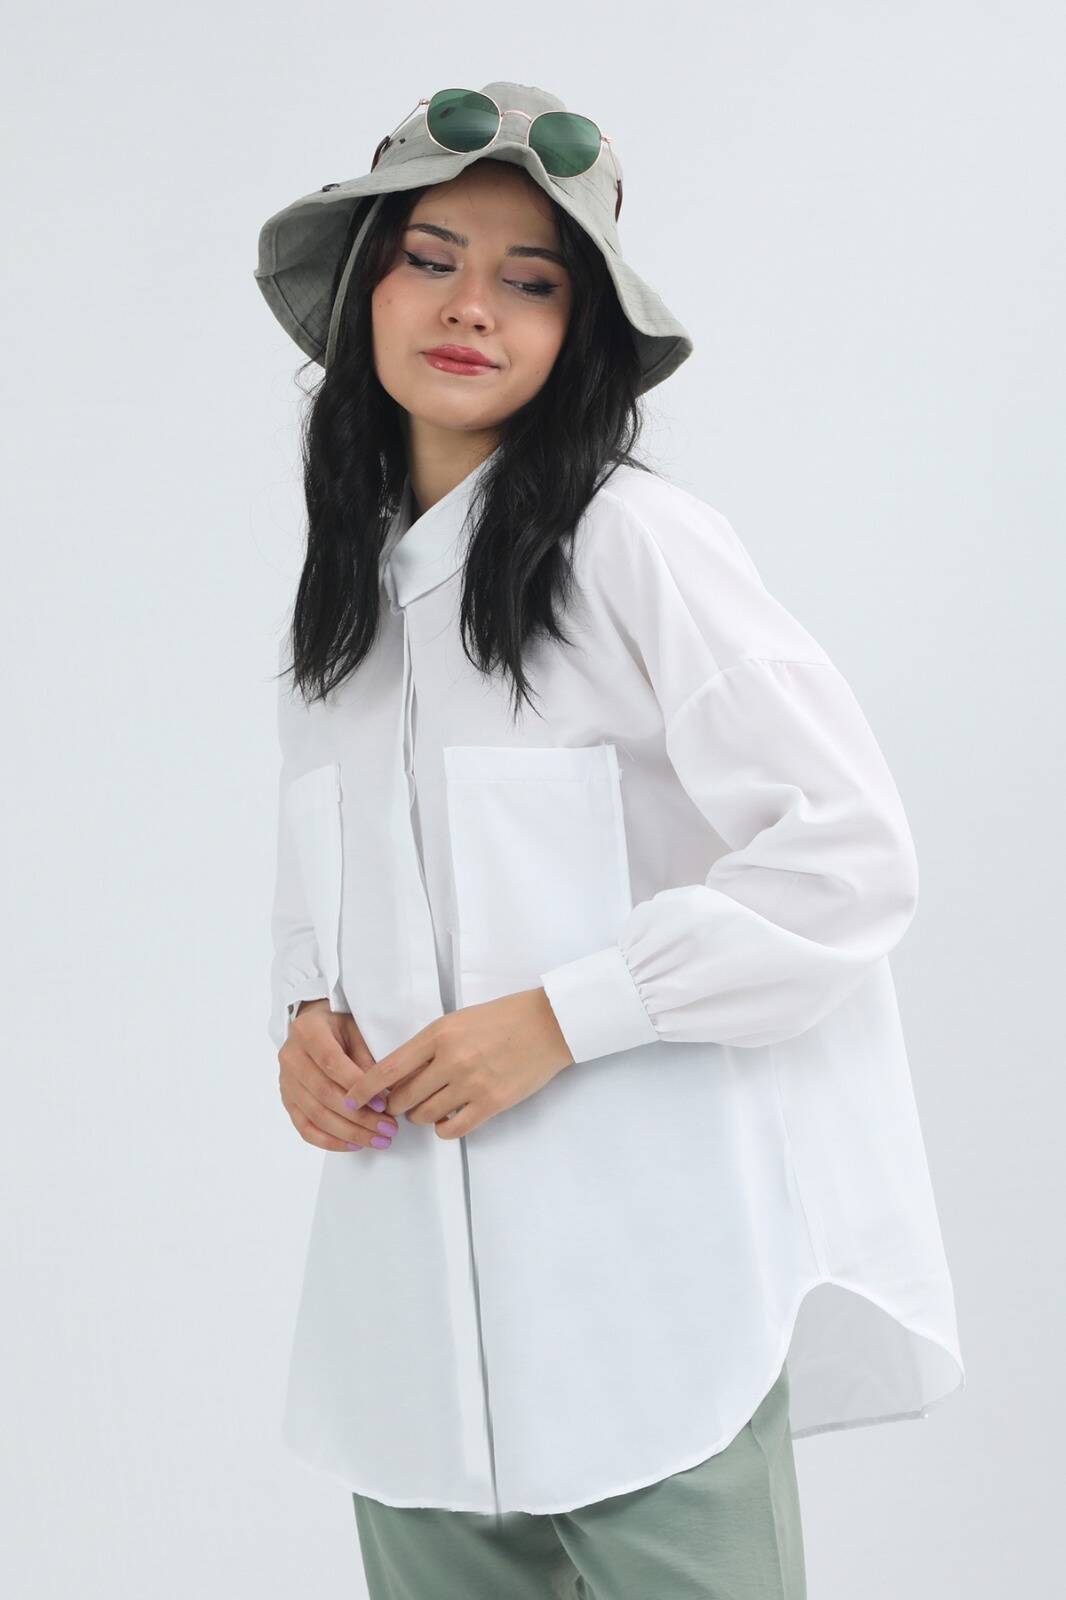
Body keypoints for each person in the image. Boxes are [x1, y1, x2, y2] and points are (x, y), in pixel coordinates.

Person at [255, 82, 964, 1600]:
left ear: (577, 333)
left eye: (531, 281)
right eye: (431, 259)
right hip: (412, 1338)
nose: (472, 306)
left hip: (648, 1309)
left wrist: (564, 1017)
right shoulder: (345, 597)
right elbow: (321, 873)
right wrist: (303, 1017)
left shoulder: (633, 542)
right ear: (366, 285)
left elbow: (845, 856)